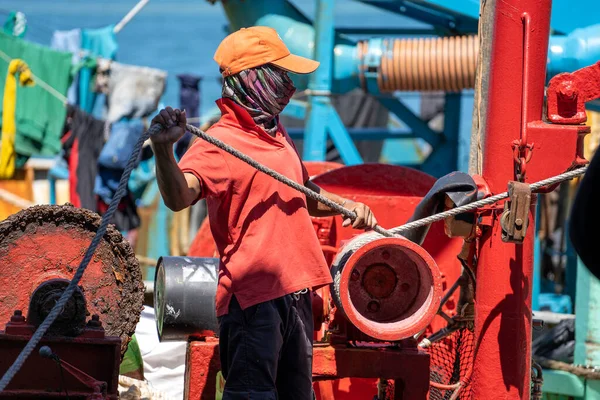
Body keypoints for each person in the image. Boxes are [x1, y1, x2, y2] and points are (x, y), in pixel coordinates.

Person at [150, 26, 379, 399]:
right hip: (251, 305)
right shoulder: (218, 142)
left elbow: (301, 192)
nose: (288, 82)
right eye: (280, 72)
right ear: (254, 78)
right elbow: (179, 197)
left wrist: (345, 206)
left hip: (296, 295)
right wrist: (163, 151)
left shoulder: (275, 132)